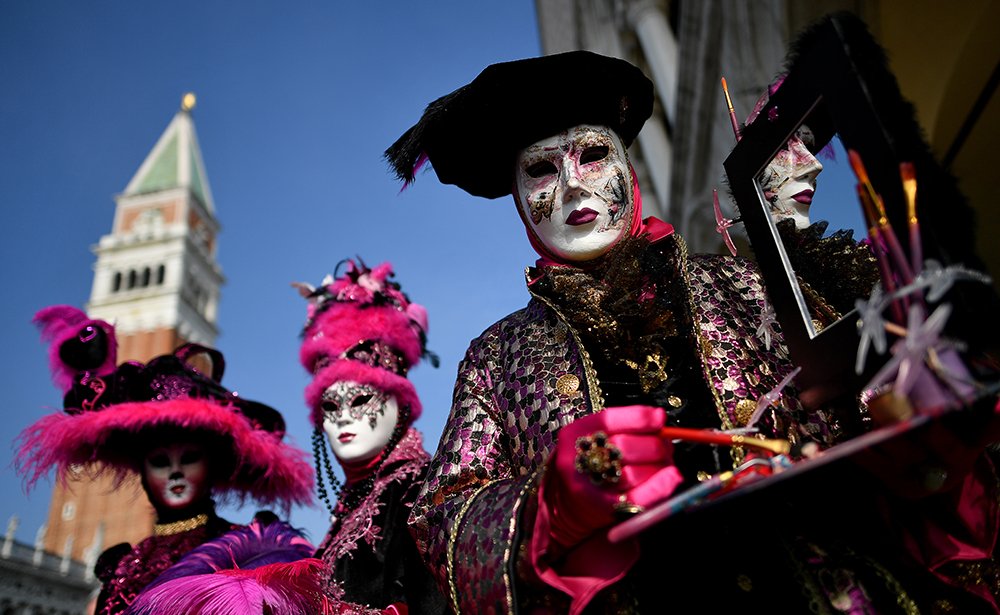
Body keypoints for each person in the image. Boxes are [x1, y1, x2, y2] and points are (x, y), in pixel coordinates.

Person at [386, 50, 1000, 613]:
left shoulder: (747, 284)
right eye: (542, 170)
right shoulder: (497, 358)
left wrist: (908, 413)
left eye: (593, 155)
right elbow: (443, 519)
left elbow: (854, 398)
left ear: (626, 166)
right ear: (520, 200)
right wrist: (548, 508)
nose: (574, 183)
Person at [16, 305, 320, 615]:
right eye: (160, 462)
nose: (175, 471)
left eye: (189, 459)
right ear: (143, 472)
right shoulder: (123, 567)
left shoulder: (249, 548)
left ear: (211, 465)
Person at [295, 259, 447, 614]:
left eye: (361, 399)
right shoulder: (352, 504)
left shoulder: (420, 491)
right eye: (330, 406)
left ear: (399, 403)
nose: (343, 417)